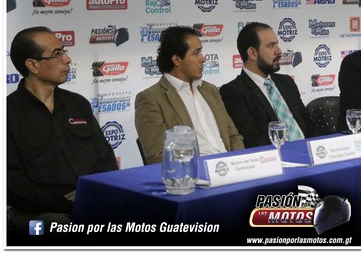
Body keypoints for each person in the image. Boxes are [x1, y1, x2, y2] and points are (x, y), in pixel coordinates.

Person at [7, 26, 118, 232]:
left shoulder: (78, 104)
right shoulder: (8, 113)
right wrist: (71, 206)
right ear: (33, 65)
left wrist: (104, 195)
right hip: (41, 211)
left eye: (64, 51)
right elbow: (14, 185)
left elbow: (105, 158)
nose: (67, 59)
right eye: (57, 54)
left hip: (91, 198)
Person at [135, 26, 244, 164]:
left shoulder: (210, 90)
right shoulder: (150, 99)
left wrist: (239, 164)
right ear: (176, 60)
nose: (203, 58)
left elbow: (233, 136)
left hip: (231, 167)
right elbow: (158, 156)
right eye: (196, 53)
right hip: (194, 172)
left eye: (201, 52)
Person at [220, 22, 315, 147]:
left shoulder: (286, 82)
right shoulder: (234, 92)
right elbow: (252, 141)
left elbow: (309, 125)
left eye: (277, 44)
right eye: (271, 46)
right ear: (253, 53)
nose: (279, 51)